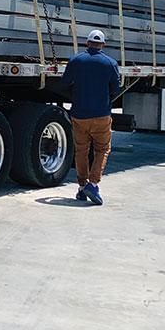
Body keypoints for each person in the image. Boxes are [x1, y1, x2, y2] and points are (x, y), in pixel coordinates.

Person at [61, 29, 120, 205]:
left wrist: (77, 94)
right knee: (102, 149)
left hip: (79, 114)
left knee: (81, 150)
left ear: (87, 43)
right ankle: (93, 184)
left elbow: (64, 83)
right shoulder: (110, 63)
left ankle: (81, 187)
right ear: (103, 45)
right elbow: (115, 89)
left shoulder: (75, 61)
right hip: (101, 114)